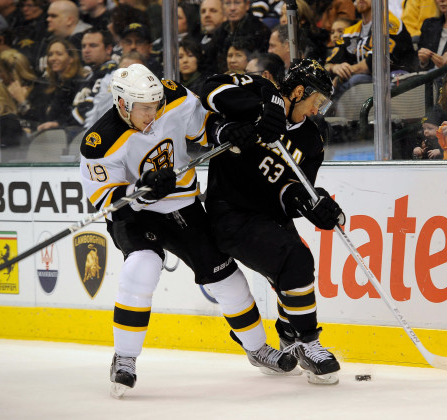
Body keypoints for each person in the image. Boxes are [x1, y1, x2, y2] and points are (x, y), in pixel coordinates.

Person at [79, 63, 297, 398]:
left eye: (156, 106)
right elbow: (107, 200)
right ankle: (124, 359)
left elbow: (204, 127)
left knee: (226, 278)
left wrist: (227, 132)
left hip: (183, 205)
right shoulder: (100, 142)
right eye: (144, 109)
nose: (153, 114)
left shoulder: (174, 97)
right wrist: (143, 190)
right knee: (141, 268)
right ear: (122, 104)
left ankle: (257, 348)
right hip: (137, 215)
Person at [199, 59, 343, 385]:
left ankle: (290, 334)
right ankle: (307, 342)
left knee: (296, 265)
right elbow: (209, 88)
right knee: (295, 259)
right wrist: (263, 108)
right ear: (298, 91)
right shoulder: (257, 89)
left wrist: (312, 204)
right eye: (316, 101)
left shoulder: (312, 139)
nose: (316, 110)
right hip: (231, 211)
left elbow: (295, 190)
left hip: (269, 215)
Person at [205, 0, 271, 74]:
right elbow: (210, 63)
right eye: (228, 3)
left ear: (247, 5)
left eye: (237, 2)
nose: (232, 8)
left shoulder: (260, 30)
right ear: (222, 6)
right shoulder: (220, 31)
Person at [71, 28, 117, 130]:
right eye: (84, 46)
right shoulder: (91, 75)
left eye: (93, 45)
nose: (86, 50)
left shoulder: (110, 74)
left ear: (108, 49)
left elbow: (90, 111)